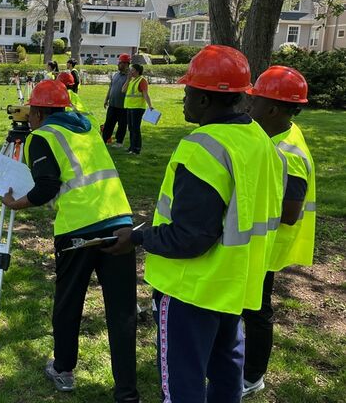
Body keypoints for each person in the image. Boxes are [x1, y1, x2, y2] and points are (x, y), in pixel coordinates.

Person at [103, 45, 286, 403]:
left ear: (204, 99)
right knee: (226, 372)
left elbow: (190, 237)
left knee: (182, 384)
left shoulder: (202, 147)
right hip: (234, 284)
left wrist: (138, 238)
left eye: (188, 92)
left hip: (190, 289)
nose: (183, 100)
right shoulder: (261, 141)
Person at [2, 79, 139, 402]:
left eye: (31, 113)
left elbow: (46, 186)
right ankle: (127, 392)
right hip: (120, 222)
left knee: (69, 302)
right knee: (122, 312)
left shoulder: (41, 137)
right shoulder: (88, 128)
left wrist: (16, 203)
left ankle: (63, 368)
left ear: (38, 113)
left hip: (78, 230)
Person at [242, 66, 316, 397]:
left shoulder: (289, 154)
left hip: (268, 246)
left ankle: (252, 376)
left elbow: (289, 213)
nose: (249, 105)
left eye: (255, 100)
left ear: (272, 109)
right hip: (258, 242)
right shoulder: (277, 135)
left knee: (257, 311)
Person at [121, 63, 154, 155]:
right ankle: (131, 147)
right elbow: (123, 90)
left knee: (135, 128)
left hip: (138, 108)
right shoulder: (131, 80)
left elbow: (145, 94)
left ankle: (136, 148)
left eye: (132, 70)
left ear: (137, 71)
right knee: (131, 128)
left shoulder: (142, 80)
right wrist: (128, 80)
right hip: (129, 106)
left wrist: (150, 105)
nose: (130, 72)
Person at [102, 53, 130, 147]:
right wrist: (106, 99)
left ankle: (119, 142)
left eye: (120, 63)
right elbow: (110, 88)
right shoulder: (116, 75)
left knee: (122, 125)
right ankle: (104, 139)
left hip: (123, 106)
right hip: (112, 105)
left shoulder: (130, 77)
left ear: (126, 64)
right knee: (108, 123)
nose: (118, 64)